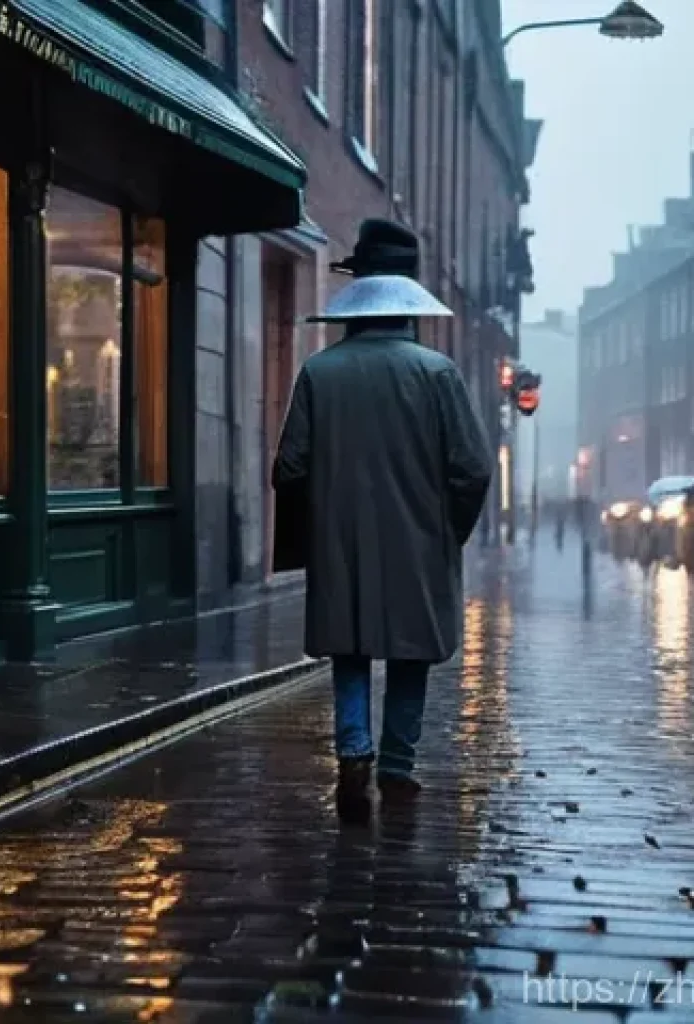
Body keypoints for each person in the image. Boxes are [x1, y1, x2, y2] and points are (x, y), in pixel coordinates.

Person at [272, 219, 493, 820]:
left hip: (341, 542)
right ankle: (397, 766)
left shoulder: (320, 372)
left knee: (350, 650)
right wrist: (450, 531)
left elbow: (289, 467)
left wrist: (311, 531)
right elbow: (473, 469)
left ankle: (353, 754)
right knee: (410, 653)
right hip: (420, 545)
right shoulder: (438, 374)